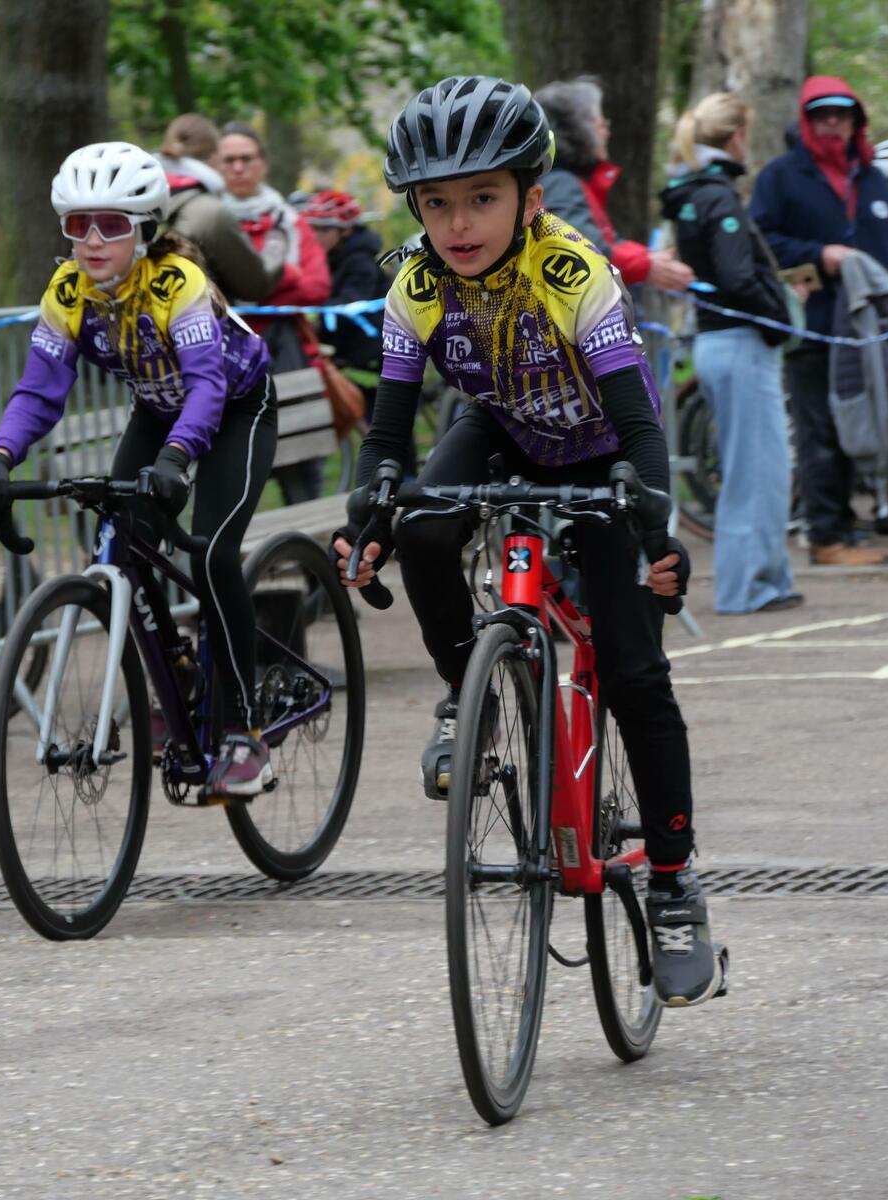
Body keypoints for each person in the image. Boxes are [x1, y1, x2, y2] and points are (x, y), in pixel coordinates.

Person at [333, 77, 719, 1007]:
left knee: (634, 671)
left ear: (530, 197)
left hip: (603, 448)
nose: (458, 223)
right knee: (425, 524)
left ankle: (674, 885)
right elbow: (386, 437)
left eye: (482, 198)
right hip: (504, 426)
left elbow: (641, 426)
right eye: (436, 203)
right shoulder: (416, 284)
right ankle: (465, 698)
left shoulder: (574, 272)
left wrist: (654, 527)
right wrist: (367, 516)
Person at [0, 142, 277, 798]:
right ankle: (178, 670)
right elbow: (38, 391)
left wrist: (177, 458)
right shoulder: (68, 291)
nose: (91, 240)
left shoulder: (177, 283)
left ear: (143, 230)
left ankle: (242, 726)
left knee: (213, 555)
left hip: (235, 409)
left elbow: (206, 386)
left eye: (110, 224)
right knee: (118, 546)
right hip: (159, 412)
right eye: (77, 224)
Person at [750, 75, 888, 565]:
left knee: (870, 425)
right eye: (821, 114)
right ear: (806, 120)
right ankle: (826, 535)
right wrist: (820, 255)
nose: (832, 122)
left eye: (841, 113)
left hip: (873, 330)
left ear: (856, 119)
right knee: (819, 428)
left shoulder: (872, 177)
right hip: (813, 327)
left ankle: (853, 523)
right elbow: (760, 242)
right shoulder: (780, 177)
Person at [661, 93, 802, 614]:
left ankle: (765, 579)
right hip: (741, 343)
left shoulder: (694, 194)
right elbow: (738, 275)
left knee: (755, 468)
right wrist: (778, 313)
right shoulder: (718, 198)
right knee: (758, 471)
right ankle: (749, 588)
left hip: (717, 342)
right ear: (736, 135)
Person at [218, 122, 332, 502]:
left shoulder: (290, 222)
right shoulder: (207, 222)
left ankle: (309, 536)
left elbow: (317, 288)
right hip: (223, 356)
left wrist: (265, 283)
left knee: (302, 467)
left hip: (287, 353)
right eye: (229, 160)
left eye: (246, 158)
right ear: (217, 165)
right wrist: (284, 276)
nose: (238, 168)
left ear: (263, 164)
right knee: (229, 471)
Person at [535, 77, 696, 293]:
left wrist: (648, 259)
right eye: (601, 124)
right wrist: (646, 265)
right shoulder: (561, 182)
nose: (607, 132)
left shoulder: (565, 180)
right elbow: (582, 247)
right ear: (577, 131)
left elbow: (606, 241)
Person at [154, 114, 278, 303]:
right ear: (214, 158)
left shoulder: (143, 194)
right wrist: (276, 249)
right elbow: (254, 286)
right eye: (225, 159)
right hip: (192, 317)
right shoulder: (210, 213)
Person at [297, 188, 387, 379]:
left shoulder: (361, 262)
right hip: (339, 349)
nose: (315, 236)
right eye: (313, 228)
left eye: (324, 230)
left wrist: (312, 314)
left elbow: (348, 303)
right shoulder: (327, 256)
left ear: (346, 230)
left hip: (367, 353)